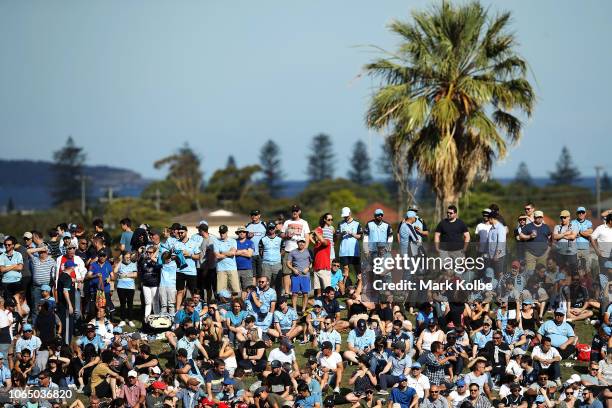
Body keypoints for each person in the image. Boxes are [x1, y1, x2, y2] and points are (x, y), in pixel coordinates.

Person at [281, 205, 311, 296]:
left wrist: (305, 249)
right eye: (293, 210)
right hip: (288, 249)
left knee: (300, 270)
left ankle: (299, 290)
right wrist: (287, 236)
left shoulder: (304, 222)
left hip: (300, 250)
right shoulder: (287, 222)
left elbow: (307, 236)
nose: (295, 212)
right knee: (286, 271)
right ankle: (287, 292)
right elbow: (281, 235)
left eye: (296, 210)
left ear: (299, 212)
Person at [174, 225, 202, 310]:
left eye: (182, 232)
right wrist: (178, 256)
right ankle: (177, 310)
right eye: (179, 233)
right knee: (180, 291)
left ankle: (195, 309)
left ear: (186, 232)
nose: (180, 234)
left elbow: (198, 256)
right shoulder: (176, 243)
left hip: (191, 271)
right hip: (180, 270)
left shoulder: (193, 243)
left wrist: (189, 254)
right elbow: (173, 256)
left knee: (193, 292)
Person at [213, 225, 240, 295]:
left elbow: (233, 253)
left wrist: (222, 252)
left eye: (223, 232)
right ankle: (224, 306)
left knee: (235, 291)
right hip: (221, 269)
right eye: (220, 232)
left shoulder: (233, 241)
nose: (222, 234)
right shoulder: (216, 241)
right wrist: (228, 253)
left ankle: (234, 305)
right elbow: (217, 256)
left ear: (227, 232)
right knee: (222, 292)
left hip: (232, 268)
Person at [287, 238, 312, 310]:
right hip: (295, 276)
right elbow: (288, 263)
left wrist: (308, 268)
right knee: (294, 293)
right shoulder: (292, 252)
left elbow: (312, 262)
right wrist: (293, 269)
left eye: (303, 242)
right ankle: (294, 309)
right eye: (300, 242)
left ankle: (303, 309)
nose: (301, 244)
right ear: (297, 243)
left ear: (305, 243)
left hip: (305, 276)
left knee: (305, 294)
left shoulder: (309, 251)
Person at [246, 209, 267, 279]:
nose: (254, 216)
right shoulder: (247, 225)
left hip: (261, 254)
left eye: (255, 215)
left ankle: (260, 289)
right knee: (253, 275)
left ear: (259, 215)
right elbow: (242, 238)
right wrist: (247, 236)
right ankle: (254, 289)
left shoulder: (264, 224)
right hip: (251, 254)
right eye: (252, 215)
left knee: (261, 275)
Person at [235, 226, 255, 293]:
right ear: (238, 233)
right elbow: (233, 253)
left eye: (243, 232)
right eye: (240, 232)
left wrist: (238, 252)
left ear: (246, 233)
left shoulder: (250, 242)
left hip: (247, 269)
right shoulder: (234, 242)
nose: (241, 233)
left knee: (247, 290)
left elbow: (249, 254)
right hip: (236, 269)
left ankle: (246, 303)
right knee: (236, 290)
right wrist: (244, 251)